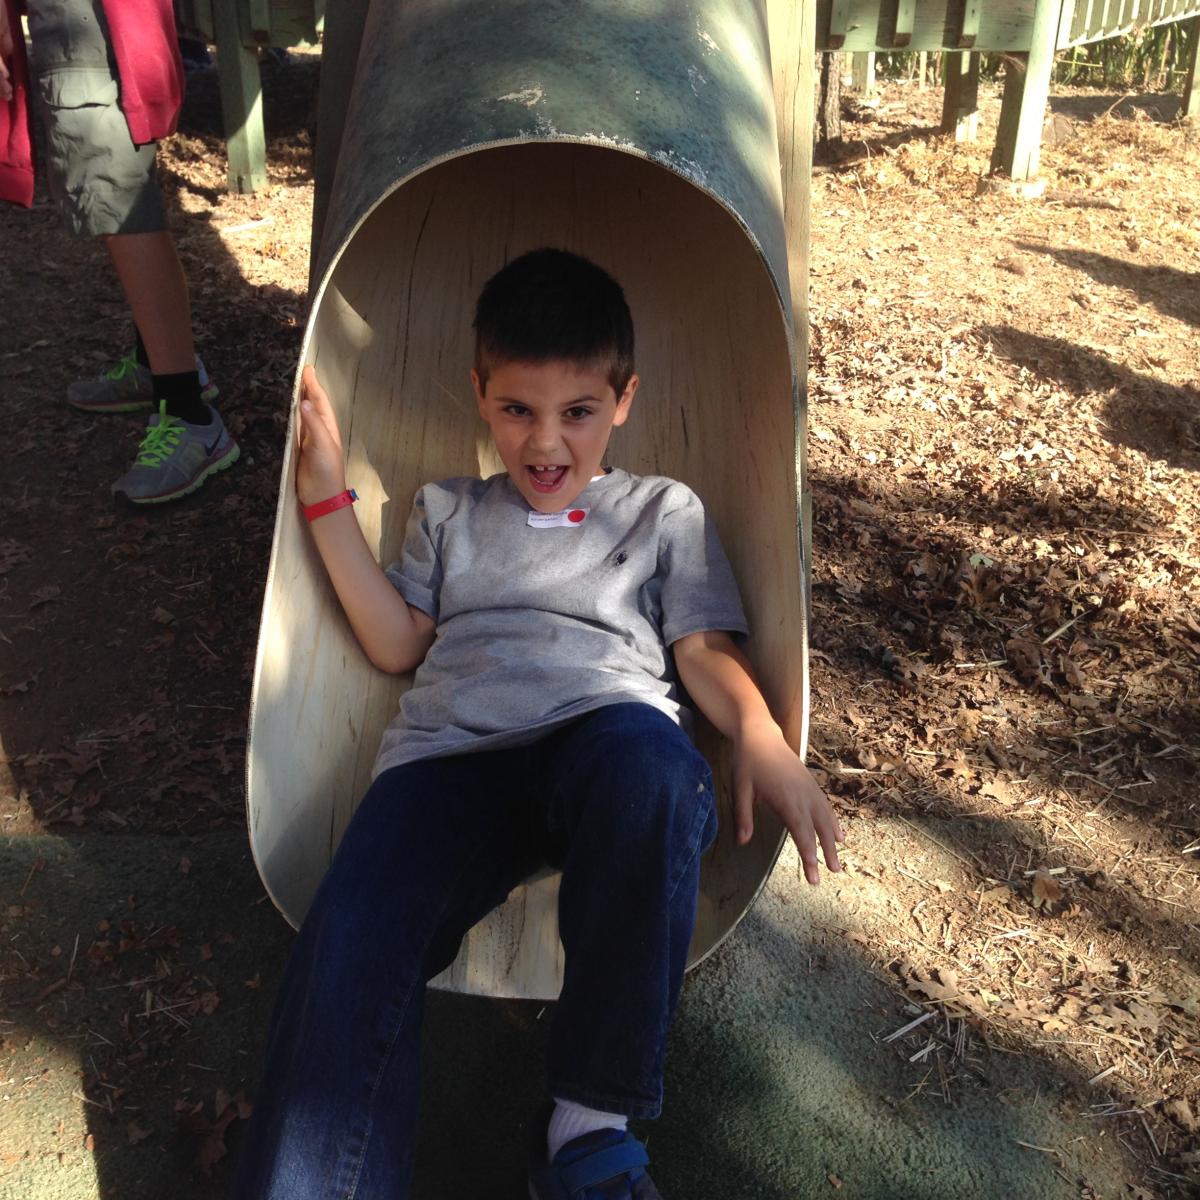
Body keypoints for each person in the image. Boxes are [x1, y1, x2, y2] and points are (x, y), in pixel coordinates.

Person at [231, 249, 844, 1199]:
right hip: (451, 758)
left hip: (605, 738)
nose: (546, 443)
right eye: (517, 409)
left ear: (624, 400)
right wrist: (323, 494)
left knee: (658, 772)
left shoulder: (661, 510)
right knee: (349, 937)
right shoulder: (449, 511)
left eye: (578, 412)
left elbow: (702, 651)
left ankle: (584, 1134)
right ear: (480, 392)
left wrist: (761, 735)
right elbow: (395, 642)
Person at [0, 0, 238, 504]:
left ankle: (191, 416)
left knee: (117, 197)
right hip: (80, 21)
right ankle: (156, 364)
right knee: (112, 190)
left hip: (89, 21)